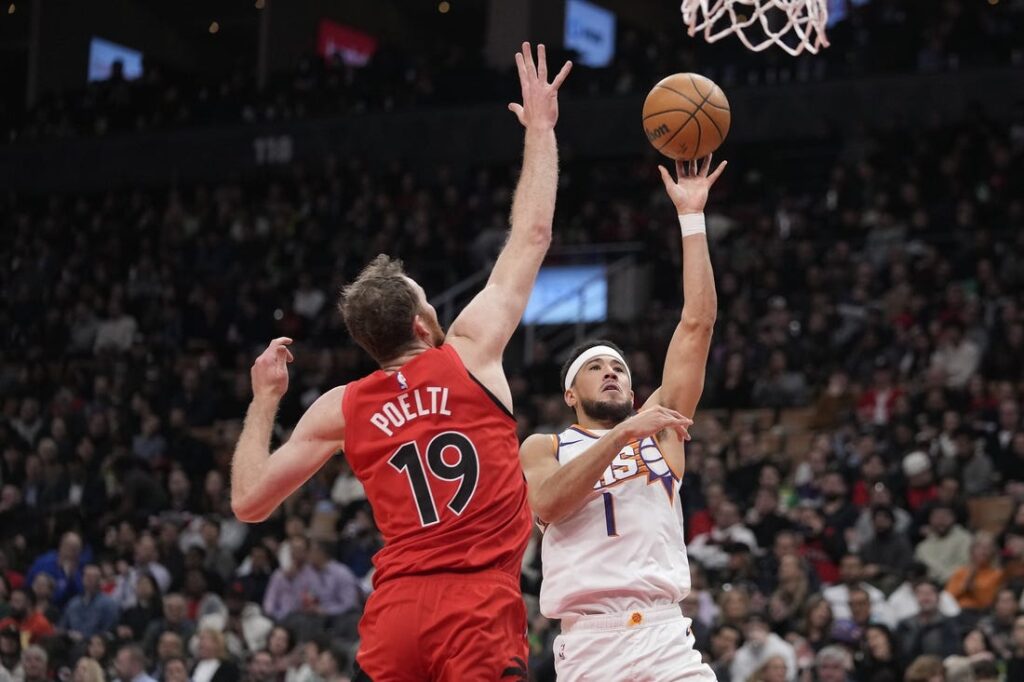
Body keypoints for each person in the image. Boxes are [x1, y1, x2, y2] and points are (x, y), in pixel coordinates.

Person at [229, 42, 572, 681]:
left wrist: (264, 402)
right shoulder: (469, 352)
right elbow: (532, 234)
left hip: (396, 616)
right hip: (476, 607)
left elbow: (249, 501)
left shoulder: (341, 406)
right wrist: (542, 130)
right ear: (421, 321)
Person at [518, 153, 726, 680]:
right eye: (595, 367)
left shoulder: (661, 426)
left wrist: (692, 218)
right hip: (590, 644)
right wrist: (621, 436)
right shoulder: (545, 446)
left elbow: (697, 324)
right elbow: (548, 503)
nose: (612, 372)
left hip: (664, 634)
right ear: (571, 394)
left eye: (619, 367)